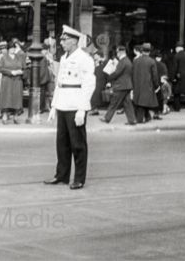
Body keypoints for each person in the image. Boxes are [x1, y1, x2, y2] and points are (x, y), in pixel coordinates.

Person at [44, 25, 95, 190]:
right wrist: (54, 106)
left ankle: (79, 178)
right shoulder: (65, 57)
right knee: (62, 143)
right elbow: (60, 83)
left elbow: (88, 84)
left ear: (74, 41)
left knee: (78, 144)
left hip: (75, 104)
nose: (61, 43)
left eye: (64, 40)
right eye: (61, 39)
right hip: (63, 104)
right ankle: (62, 175)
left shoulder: (84, 58)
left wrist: (82, 109)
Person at [99, 45, 136, 125]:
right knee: (127, 104)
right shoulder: (127, 61)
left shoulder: (123, 61)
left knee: (114, 103)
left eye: (117, 52)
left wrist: (108, 76)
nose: (117, 54)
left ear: (121, 52)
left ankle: (107, 118)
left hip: (121, 86)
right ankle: (132, 120)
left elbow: (117, 73)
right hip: (127, 85)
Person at [0, 40, 26, 124]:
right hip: (7, 81)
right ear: (8, 49)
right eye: (11, 48)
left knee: (16, 99)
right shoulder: (3, 57)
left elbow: (24, 68)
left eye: (14, 48)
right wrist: (11, 72)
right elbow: (1, 69)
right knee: (7, 99)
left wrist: (21, 72)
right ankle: (5, 116)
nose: (13, 50)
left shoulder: (19, 57)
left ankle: (16, 117)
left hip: (17, 81)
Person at [132, 42, 159, 123]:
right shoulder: (151, 61)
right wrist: (156, 85)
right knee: (144, 101)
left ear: (141, 51)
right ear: (149, 52)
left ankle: (147, 117)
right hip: (147, 85)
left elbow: (132, 73)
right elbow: (155, 76)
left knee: (140, 101)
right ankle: (141, 119)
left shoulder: (136, 61)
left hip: (137, 85)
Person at [89, 51, 107, 116]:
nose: (94, 56)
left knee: (95, 95)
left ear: (99, 55)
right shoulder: (95, 62)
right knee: (94, 95)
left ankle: (94, 109)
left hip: (100, 81)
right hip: (95, 80)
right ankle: (94, 109)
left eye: (95, 55)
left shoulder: (104, 62)